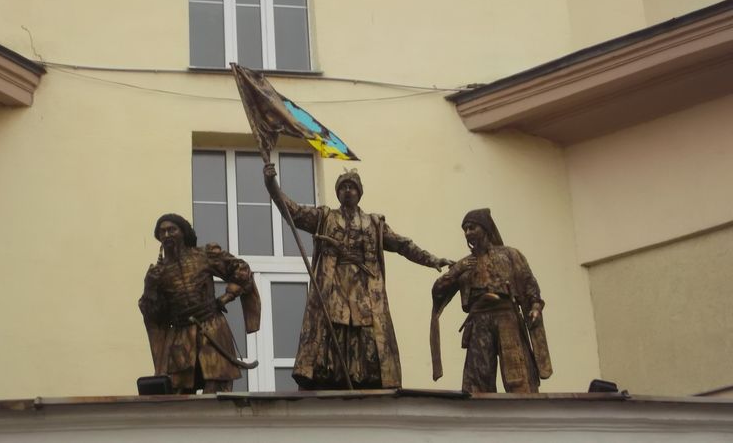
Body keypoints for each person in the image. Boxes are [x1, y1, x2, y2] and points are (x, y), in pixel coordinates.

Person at [264, 163, 452, 389]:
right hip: (334, 285)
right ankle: (330, 372)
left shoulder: (374, 223)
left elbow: (402, 245)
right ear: (338, 193)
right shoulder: (325, 217)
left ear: (359, 192)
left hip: (364, 289)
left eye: (352, 187)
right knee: (334, 325)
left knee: (365, 328)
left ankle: (363, 374)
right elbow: (293, 212)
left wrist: (431, 259)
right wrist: (272, 185)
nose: (348, 191)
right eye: (343, 187)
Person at [431, 208, 551, 393]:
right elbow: (438, 290)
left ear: (485, 228)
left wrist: (535, 306)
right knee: (478, 380)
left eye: (472, 227)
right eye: (465, 229)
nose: (468, 233)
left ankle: (525, 409)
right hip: (479, 321)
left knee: (519, 374)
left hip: (507, 317)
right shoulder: (465, 264)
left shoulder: (510, 255)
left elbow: (529, 284)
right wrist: (457, 270)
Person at [139, 213, 260, 394]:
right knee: (178, 392)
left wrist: (227, 296)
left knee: (217, 387)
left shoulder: (204, 255)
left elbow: (242, 271)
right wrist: (150, 288)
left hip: (212, 329)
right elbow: (155, 316)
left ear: (183, 232)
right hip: (180, 338)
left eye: (171, 230)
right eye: (162, 232)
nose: (166, 235)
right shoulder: (158, 272)